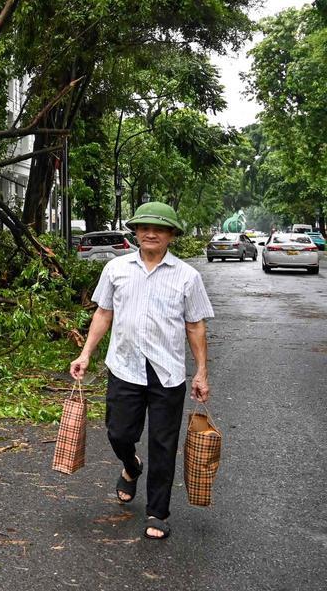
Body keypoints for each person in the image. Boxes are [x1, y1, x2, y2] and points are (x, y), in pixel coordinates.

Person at [69, 201, 212, 540]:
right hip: (124, 366)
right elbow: (103, 314)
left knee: (163, 444)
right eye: (144, 227)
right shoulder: (116, 269)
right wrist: (85, 353)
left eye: (160, 228)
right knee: (118, 432)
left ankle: (157, 512)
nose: (151, 233)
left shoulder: (187, 277)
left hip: (168, 373)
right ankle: (131, 466)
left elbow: (195, 327)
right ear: (134, 232)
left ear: (171, 236)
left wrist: (202, 372)